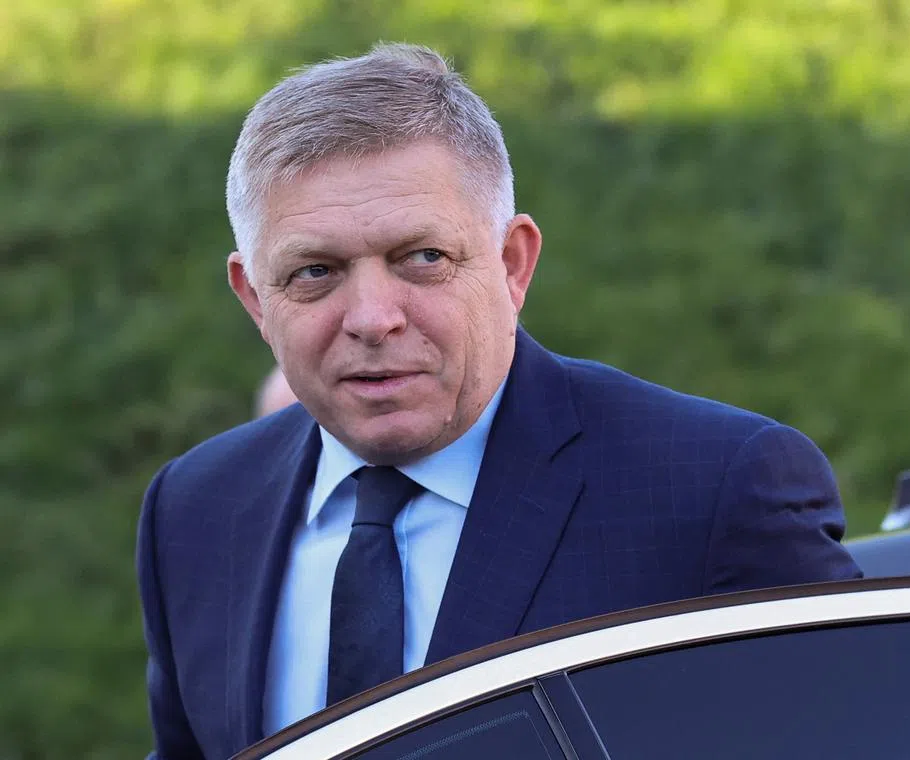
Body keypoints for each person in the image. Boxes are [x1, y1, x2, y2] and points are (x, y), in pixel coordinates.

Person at [136, 42, 862, 760]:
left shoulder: (713, 494)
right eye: (315, 272)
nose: (372, 317)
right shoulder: (195, 510)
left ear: (513, 265)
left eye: (422, 258)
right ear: (256, 300)